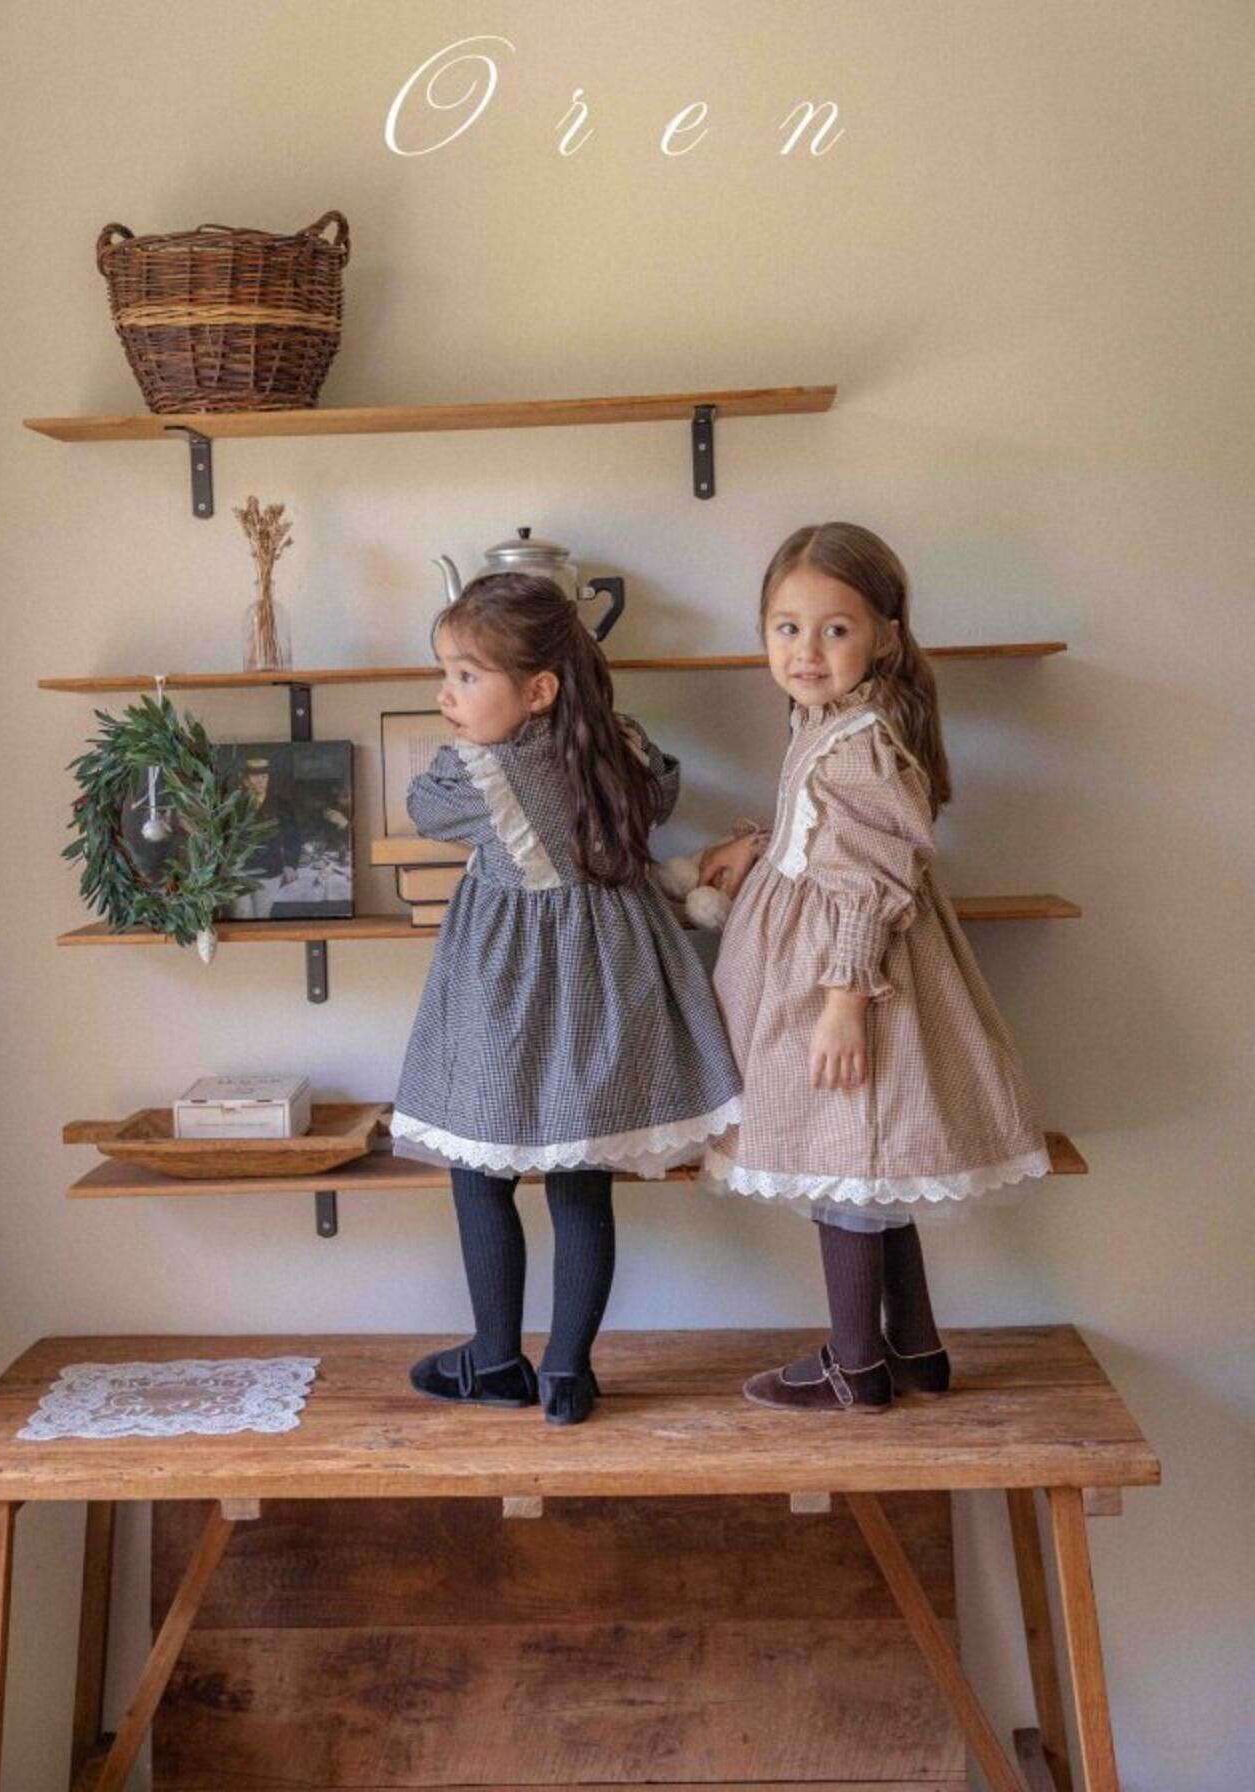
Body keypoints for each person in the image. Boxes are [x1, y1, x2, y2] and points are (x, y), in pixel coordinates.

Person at [701, 522, 1050, 1413]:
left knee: (847, 1158)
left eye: (835, 629)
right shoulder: (830, 723)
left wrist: (844, 1000)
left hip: (851, 980)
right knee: (870, 1166)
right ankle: (916, 1347)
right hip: (833, 970)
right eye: (786, 628)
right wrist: (758, 844)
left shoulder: (858, 740)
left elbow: (865, 884)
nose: (806, 651)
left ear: (885, 637)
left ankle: (854, 1366)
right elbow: (826, 833)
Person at [392, 574, 741, 1425]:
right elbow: (663, 789)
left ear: (539, 690)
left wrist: (459, 746)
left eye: (466, 676)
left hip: (510, 1002)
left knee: (481, 1171)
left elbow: (420, 807)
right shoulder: (619, 745)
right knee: (581, 1182)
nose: (445, 695)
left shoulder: (483, 776)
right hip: (610, 990)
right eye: (444, 674)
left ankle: (495, 1360)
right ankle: (567, 1374)